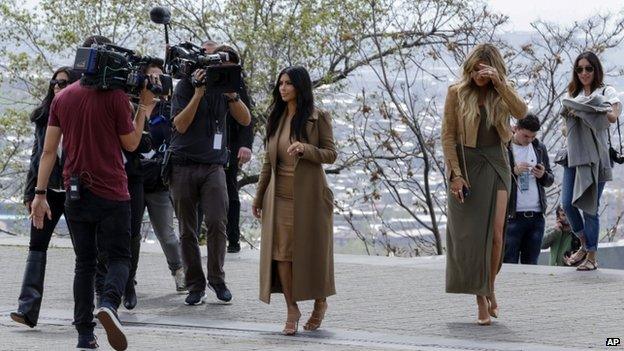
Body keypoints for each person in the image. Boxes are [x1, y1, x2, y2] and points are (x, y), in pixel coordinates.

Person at [29, 35, 158, 351]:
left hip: (75, 192)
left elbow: (48, 152)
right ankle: (109, 304)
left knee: (84, 263)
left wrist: (40, 194)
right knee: (119, 257)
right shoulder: (114, 97)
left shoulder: (62, 98)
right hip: (112, 191)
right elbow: (130, 144)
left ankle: (85, 335)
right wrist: (143, 108)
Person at [441, 43, 527, 325]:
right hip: (468, 163)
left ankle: (489, 288)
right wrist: (455, 174)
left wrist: (500, 83)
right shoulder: (457, 92)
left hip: (497, 161)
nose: (480, 74)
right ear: (470, 67)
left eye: (485, 69)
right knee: (473, 237)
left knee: (497, 234)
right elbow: (448, 136)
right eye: (476, 68)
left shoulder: (501, 91)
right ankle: (481, 296)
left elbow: (522, 111)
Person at [252, 66, 337, 335]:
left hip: (310, 198)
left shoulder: (318, 117)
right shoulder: (275, 117)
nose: (283, 88)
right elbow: (268, 161)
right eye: (280, 84)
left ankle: (320, 303)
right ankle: (292, 308)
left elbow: (330, 153)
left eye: (288, 83)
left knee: (313, 255)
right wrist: (258, 196)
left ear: (300, 86)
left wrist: (305, 148)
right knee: (281, 256)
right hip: (278, 199)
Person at [169, 44, 251, 306]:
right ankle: (196, 284)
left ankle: (217, 278)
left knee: (218, 222)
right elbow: (180, 125)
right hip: (183, 165)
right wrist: (198, 93)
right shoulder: (184, 87)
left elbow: (246, 120)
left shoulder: (226, 91)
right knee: (187, 230)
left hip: (214, 166)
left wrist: (231, 95)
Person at [11, 67, 78, 328]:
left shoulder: (78, 115)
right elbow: (37, 157)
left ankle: (87, 309)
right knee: (36, 246)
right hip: (47, 193)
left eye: (63, 82)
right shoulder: (43, 118)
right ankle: (27, 309)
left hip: (75, 191)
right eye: (54, 82)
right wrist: (31, 193)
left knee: (85, 252)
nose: (57, 86)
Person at [560, 51, 620, 271]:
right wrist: (572, 120)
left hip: (596, 158)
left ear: (596, 70)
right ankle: (585, 244)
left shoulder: (606, 91)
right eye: (579, 69)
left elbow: (613, 117)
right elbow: (565, 128)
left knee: (590, 208)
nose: (584, 73)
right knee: (567, 203)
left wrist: (588, 110)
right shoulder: (572, 94)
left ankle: (592, 256)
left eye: (588, 68)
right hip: (573, 156)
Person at [201, 41, 255, 253]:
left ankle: (233, 240)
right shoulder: (203, 78)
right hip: (206, 142)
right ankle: (198, 237)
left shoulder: (237, 82)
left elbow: (247, 117)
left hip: (229, 143)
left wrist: (245, 145)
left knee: (230, 189)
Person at [139, 65, 186, 293]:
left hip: (159, 181)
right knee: (128, 235)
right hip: (133, 180)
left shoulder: (168, 109)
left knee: (167, 235)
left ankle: (179, 272)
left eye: (160, 76)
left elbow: (176, 136)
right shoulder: (129, 106)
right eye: (151, 76)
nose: (155, 80)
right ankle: (127, 278)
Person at [504, 113, 554, 264]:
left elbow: (550, 179)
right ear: (516, 129)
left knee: (531, 264)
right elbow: (495, 180)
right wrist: (513, 172)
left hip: (537, 217)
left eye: (533, 136)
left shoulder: (539, 148)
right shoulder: (505, 147)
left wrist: (542, 174)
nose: (529, 140)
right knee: (509, 262)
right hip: (513, 216)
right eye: (526, 136)